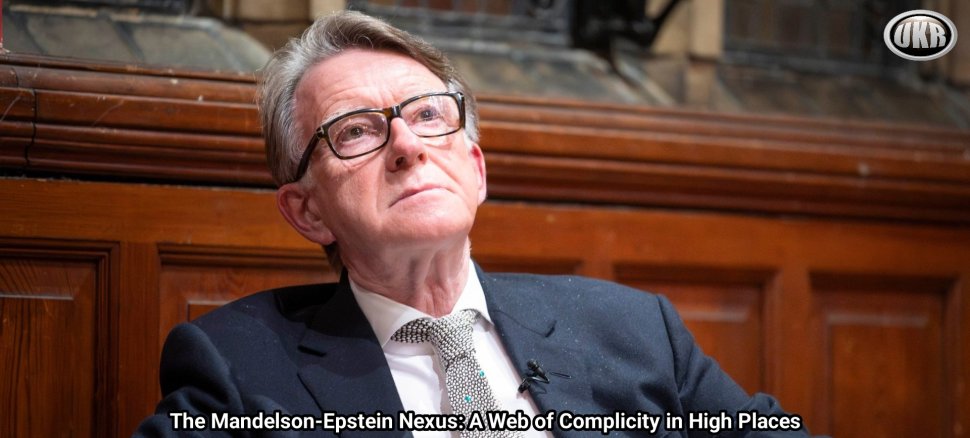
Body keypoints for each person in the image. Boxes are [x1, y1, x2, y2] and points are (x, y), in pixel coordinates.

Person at [135, 10, 811, 437]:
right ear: (307, 210)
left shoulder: (636, 331)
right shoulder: (237, 368)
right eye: (356, 130)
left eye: (429, 115)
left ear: (476, 170)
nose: (408, 145)